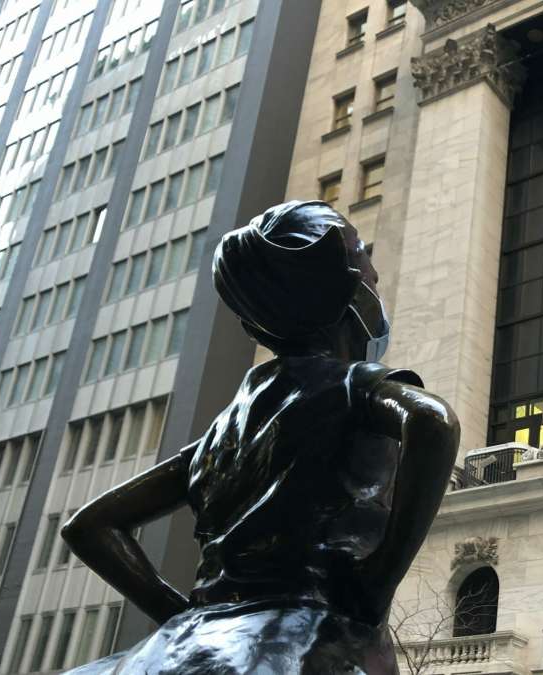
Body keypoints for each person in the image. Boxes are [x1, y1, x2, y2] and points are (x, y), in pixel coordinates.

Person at [61, 201, 459, 674]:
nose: (376, 283)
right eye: (369, 275)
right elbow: (433, 421)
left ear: (255, 325)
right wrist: (379, 579)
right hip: (306, 639)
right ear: (352, 295)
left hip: (194, 641)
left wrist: (180, 617)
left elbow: (90, 527)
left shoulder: (222, 431)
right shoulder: (353, 386)